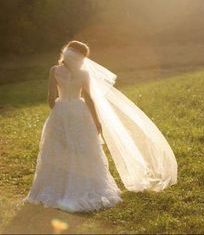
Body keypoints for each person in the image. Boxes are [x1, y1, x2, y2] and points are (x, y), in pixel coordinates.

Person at [23, 40, 178, 213]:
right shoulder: (84, 73)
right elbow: (89, 98)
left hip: (61, 111)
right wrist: (96, 121)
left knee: (59, 149)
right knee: (85, 150)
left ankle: (57, 188)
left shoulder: (54, 71)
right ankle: (87, 186)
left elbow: (51, 98)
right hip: (80, 111)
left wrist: (59, 109)